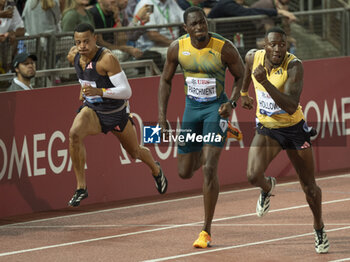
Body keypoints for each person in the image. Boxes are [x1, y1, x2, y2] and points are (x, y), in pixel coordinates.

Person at [158, 7, 244, 248]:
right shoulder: (177, 48)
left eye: (202, 22)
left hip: (216, 109)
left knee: (209, 167)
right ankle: (217, 135)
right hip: (191, 110)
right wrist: (162, 116)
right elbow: (165, 80)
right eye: (194, 24)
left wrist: (232, 102)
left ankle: (205, 230)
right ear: (186, 28)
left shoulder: (223, 47)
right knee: (185, 172)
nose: (199, 27)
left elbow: (241, 75)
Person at [240, 27, 329, 254]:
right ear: (265, 46)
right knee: (252, 175)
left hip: (293, 129)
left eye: (282, 44)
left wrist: (265, 83)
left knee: (309, 188)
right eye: (273, 45)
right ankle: (268, 187)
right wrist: (243, 93)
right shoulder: (253, 56)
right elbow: (245, 68)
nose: (278, 49)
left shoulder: (294, 65)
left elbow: (290, 106)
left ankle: (318, 227)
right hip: (268, 129)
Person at [66, 22, 168, 207]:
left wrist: (99, 92)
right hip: (94, 111)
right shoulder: (74, 56)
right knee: (74, 134)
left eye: (86, 41)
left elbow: (126, 92)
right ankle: (81, 187)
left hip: (116, 113)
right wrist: (84, 90)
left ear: (95, 38)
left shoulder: (107, 59)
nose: (82, 46)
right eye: (78, 42)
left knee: (135, 151)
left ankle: (155, 169)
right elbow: (85, 78)